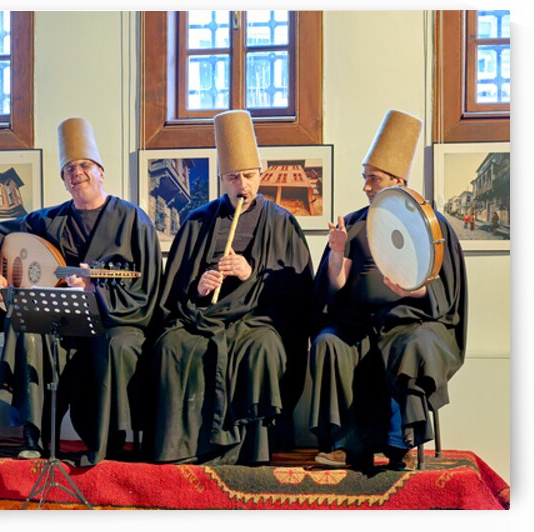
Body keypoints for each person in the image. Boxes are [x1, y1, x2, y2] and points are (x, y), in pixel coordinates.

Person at [0, 118, 162, 466]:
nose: (77, 173)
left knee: (115, 343)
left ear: (101, 172)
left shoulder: (134, 219)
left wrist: (96, 290)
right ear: (64, 180)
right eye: (69, 169)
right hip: (63, 319)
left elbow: (147, 288)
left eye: (84, 165)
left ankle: (106, 443)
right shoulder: (50, 221)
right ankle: (34, 435)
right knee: (26, 327)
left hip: (116, 320)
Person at [150, 110, 314, 465]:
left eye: (250, 176)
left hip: (258, 319)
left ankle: (250, 451)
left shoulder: (282, 222)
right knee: (172, 346)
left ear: (260, 174)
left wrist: (251, 273)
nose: (243, 185)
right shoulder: (197, 220)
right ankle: (182, 447)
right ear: (222, 179)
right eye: (234, 177)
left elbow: (298, 291)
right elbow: (174, 288)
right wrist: (197, 285)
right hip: (203, 316)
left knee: (264, 348)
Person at [309, 110, 467, 470]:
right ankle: (341, 445)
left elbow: (444, 293)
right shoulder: (353, 223)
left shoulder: (431, 224)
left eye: (373, 178)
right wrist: (336, 252)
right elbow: (334, 287)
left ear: (398, 179)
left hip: (412, 321)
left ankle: (402, 444)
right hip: (357, 322)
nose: (366, 186)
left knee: (411, 346)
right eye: (364, 178)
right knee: (328, 342)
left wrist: (411, 292)